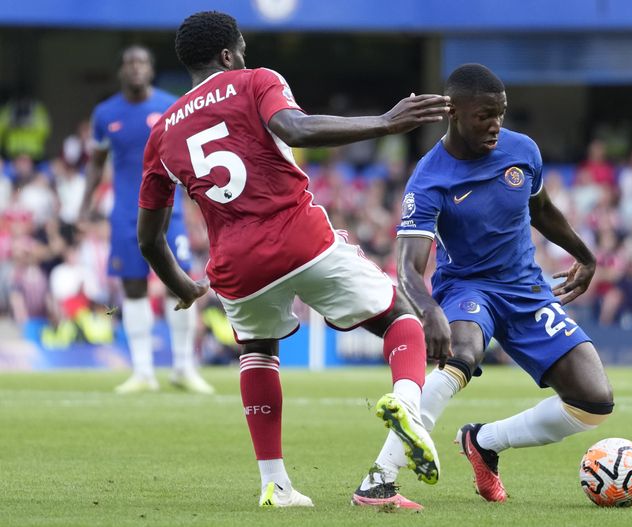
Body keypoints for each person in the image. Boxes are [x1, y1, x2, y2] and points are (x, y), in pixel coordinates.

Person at [136, 11, 451, 509]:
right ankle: (408, 403)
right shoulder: (256, 80)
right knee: (401, 321)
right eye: (239, 48)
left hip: (236, 266)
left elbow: (149, 239)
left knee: (258, 351)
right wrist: (385, 123)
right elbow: (296, 128)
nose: (243, 55)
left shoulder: (162, 133)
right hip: (297, 236)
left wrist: (186, 288)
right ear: (227, 54)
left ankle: (275, 485)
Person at [353, 64, 614, 508]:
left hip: (526, 291)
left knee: (594, 402)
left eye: (501, 113)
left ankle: (484, 441)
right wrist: (430, 310)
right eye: (484, 116)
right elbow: (408, 267)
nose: (496, 125)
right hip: (467, 288)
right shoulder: (430, 176)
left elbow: (543, 209)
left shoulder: (522, 151)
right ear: (453, 113)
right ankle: (379, 479)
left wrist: (585, 256)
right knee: (462, 355)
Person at [79, 45, 214, 395]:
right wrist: (84, 205)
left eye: (142, 62)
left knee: (179, 283)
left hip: (169, 210)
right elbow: (96, 163)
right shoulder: (105, 113)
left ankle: (184, 367)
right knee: (133, 287)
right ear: (122, 71)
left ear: (150, 70)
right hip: (125, 212)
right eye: (129, 63)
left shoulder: (170, 106)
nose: (136, 68)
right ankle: (143, 371)